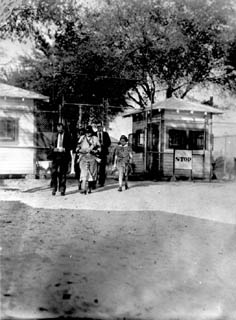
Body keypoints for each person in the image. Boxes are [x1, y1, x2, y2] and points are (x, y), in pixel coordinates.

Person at [76, 125, 101, 194]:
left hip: (92, 158)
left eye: (89, 132)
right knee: (83, 172)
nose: (88, 133)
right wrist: (79, 150)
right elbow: (78, 146)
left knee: (91, 173)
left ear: (91, 132)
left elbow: (99, 148)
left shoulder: (95, 138)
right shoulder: (82, 138)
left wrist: (95, 151)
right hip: (83, 157)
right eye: (87, 132)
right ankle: (83, 188)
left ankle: (89, 188)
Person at [49, 123, 72, 196]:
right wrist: (54, 149)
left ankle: (62, 189)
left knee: (63, 173)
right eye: (58, 128)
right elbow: (51, 145)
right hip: (55, 156)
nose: (59, 130)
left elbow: (71, 145)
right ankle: (54, 188)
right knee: (54, 173)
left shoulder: (67, 136)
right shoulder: (54, 135)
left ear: (63, 129)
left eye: (61, 129)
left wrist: (64, 149)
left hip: (64, 156)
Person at [96, 122, 111, 187]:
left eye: (100, 127)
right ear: (97, 128)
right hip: (95, 153)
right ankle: (93, 181)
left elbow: (109, 142)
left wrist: (103, 145)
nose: (99, 128)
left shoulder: (105, 134)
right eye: (98, 127)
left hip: (103, 153)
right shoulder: (94, 134)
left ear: (102, 127)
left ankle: (101, 182)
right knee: (94, 168)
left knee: (102, 168)